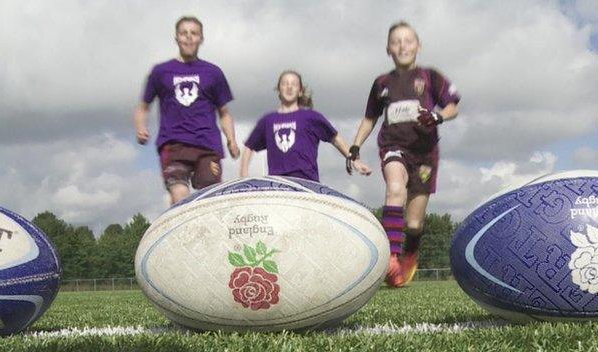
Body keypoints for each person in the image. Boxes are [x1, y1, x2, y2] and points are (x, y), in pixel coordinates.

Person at [347, 21, 460, 287]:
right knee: (395, 189)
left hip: (425, 154)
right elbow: (369, 118)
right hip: (393, 146)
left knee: (414, 223)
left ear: (418, 46)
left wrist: (437, 116)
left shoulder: (431, 77)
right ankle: (390, 257)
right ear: (388, 49)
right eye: (396, 41)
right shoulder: (381, 83)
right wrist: (355, 147)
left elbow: (453, 106)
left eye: (408, 40)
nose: (402, 46)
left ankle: (410, 250)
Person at [134, 16, 240, 205]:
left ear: (201, 38)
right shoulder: (161, 72)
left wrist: (231, 140)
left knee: (210, 199)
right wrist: (141, 127)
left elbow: (224, 112)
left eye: (194, 33)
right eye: (184, 33)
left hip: (207, 145)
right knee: (179, 195)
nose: (189, 37)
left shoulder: (213, 72)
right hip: (173, 145)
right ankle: (179, 233)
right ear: (176, 38)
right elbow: (143, 107)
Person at [240, 70, 371, 181]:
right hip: (278, 185)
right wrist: (244, 175)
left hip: (307, 183)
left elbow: (336, 139)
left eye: (294, 84)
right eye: (285, 84)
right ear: (279, 89)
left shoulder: (311, 117)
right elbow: (249, 146)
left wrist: (355, 161)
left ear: (300, 91)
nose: (289, 87)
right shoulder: (268, 121)